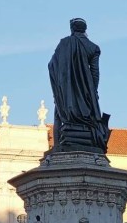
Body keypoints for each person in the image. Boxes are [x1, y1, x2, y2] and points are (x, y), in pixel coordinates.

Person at [47, 17, 110, 153]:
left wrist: (59, 87)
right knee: (88, 117)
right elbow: (95, 73)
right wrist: (93, 92)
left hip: (65, 91)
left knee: (59, 114)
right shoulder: (93, 48)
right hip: (86, 91)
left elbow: (51, 65)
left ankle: (58, 144)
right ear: (85, 30)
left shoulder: (63, 44)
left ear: (72, 29)